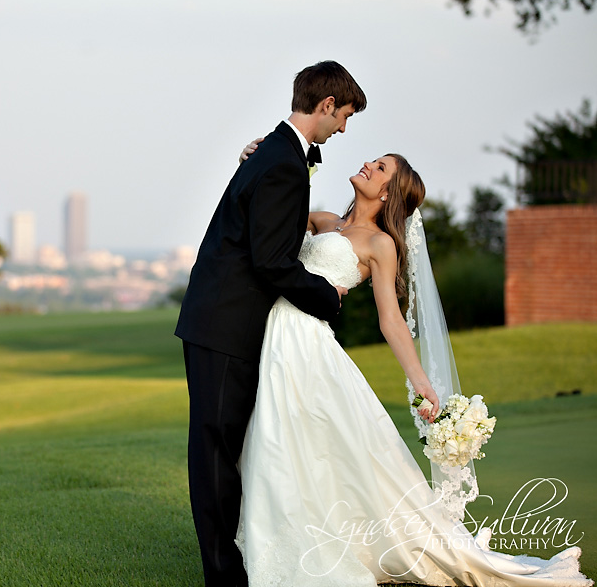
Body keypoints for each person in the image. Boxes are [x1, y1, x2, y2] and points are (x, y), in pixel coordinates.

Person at [234, 145, 593, 586]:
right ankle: (283, 537)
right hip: (272, 338)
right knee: (277, 441)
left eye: (379, 167)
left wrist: (421, 382)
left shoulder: (379, 244)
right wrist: (255, 162)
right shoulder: (325, 221)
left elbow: (391, 320)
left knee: (299, 441)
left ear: (388, 193)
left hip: (307, 347)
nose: (367, 164)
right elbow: (273, 208)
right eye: (373, 160)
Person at [174, 60, 368, 587]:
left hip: (226, 319)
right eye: (345, 115)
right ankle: (222, 574)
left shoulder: (280, 153)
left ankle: (234, 559)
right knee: (214, 451)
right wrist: (327, 294)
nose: (344, 128)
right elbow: (272, 261)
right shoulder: (281, 160)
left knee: (227, 448)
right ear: (326, 105)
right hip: (224, 322)